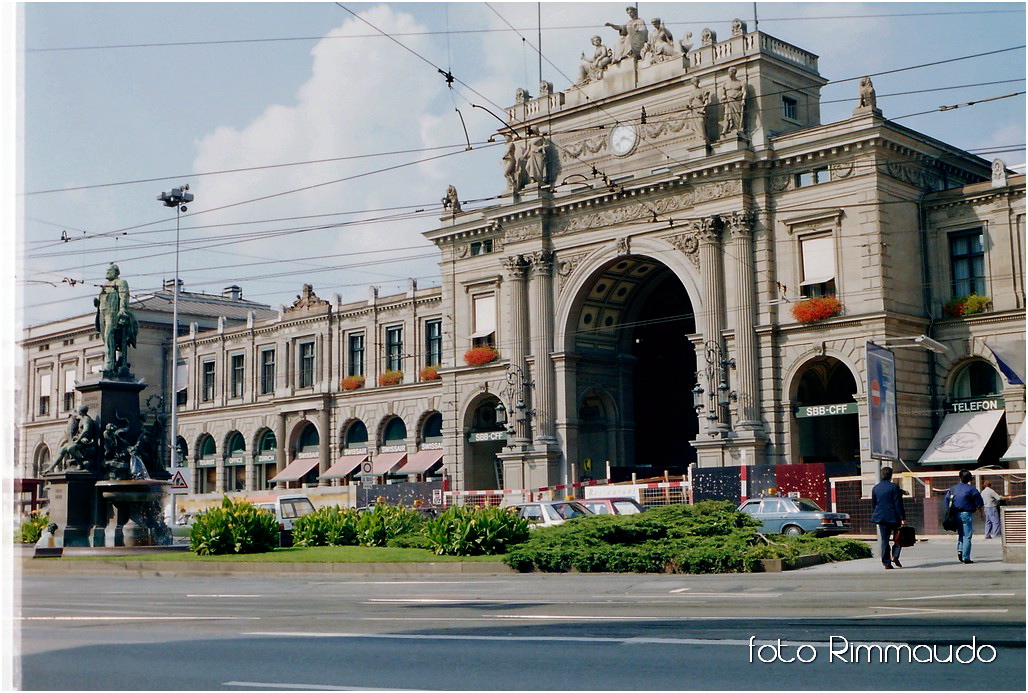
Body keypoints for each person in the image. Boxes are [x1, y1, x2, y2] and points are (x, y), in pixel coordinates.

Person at [94, 263, 138, 376]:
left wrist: (122, 310)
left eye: (109, 270)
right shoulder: (105, 285)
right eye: (106, 270)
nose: (107, 272)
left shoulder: (120, 282)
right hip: (102, 315)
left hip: (113, 315)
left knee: (109, 336)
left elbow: (124, 297)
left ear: (116, 272)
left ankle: (109, 363)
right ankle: (112, 363)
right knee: (106, 339)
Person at [944, 470, 984, 564]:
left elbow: (946, 500)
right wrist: (981, 514)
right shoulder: (971, 489)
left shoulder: (953, 489)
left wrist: (949, 512)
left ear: (960, 477)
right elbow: (979, 503)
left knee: (961, 534)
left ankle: (960, 551)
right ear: (970, 479)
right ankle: (966, 557)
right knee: (967, 536)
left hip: (955, 514)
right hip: (966, 514)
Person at [870, 466, 907, 569]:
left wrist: (876, 513)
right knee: (898, 538)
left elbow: (874, 503)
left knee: (885, 540)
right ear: (891, 475)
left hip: (881, 517)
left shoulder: (875, 488)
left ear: (881, 475)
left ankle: (886, 563)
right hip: (894, 517)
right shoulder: (894, 487)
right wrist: (903, 517)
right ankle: (895, 556)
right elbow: (898, 504)